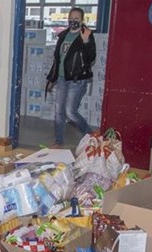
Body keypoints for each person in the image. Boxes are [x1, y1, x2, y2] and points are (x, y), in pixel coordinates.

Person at [46, 7, 96, 147]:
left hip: (77, 79)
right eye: (71, 18)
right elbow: (57, 59)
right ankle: (59, 141)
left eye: (77, 18)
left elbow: (91, 57)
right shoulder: (63, 35)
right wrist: (52, 79)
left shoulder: (86, 34)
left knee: (70, 112)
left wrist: (86, 42)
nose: (73, 20)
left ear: (82, 20)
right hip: (62, 78)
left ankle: (91, 135)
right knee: (58, 111)